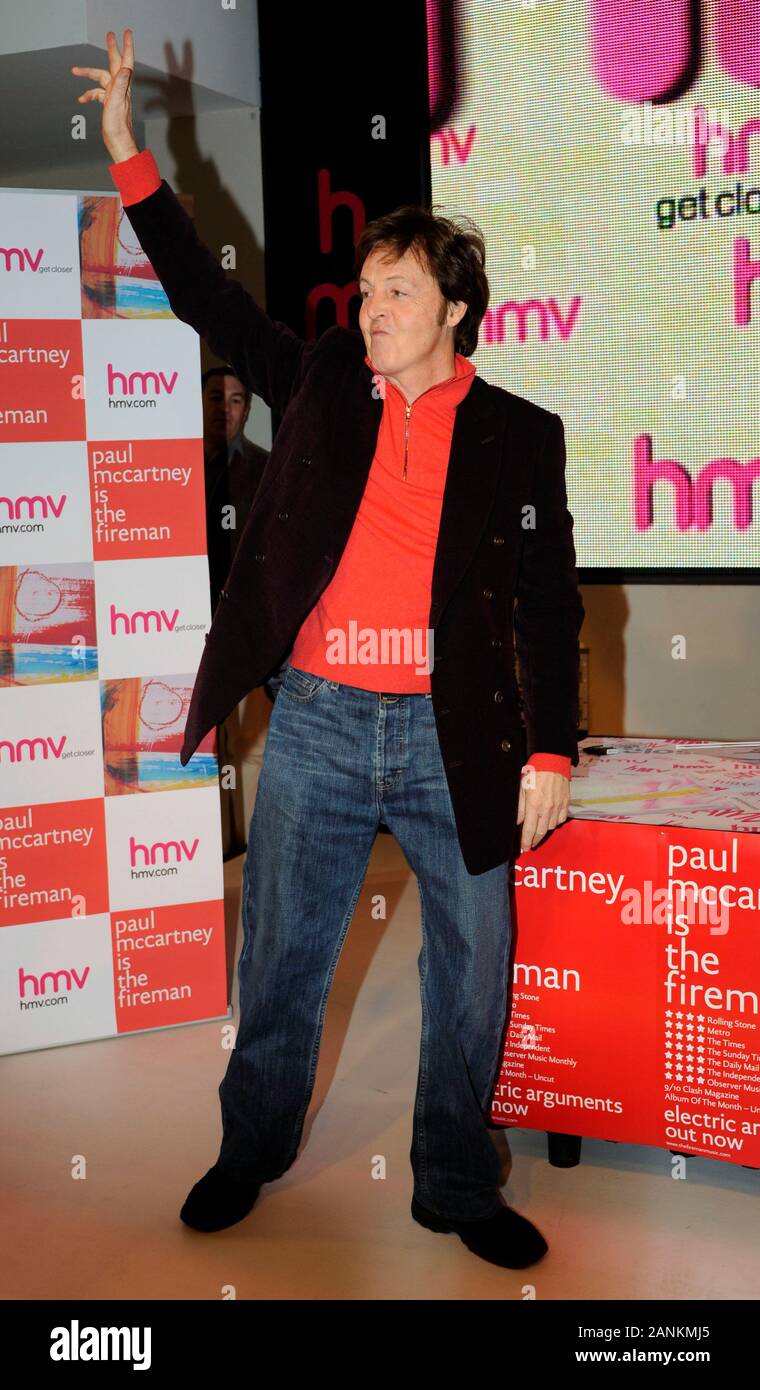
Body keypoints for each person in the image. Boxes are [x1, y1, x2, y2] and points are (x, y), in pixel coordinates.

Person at [73, 30, 585, 1271]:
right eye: (364, 293)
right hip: (312, 717)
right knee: (285, 954)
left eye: (396, 292)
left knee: (472, 966)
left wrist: (553, 749)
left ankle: (457, 1183)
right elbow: (206, 293)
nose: (370, 311)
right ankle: (248, 1148)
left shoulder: (520, 436)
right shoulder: (314, 385)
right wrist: (133, 156)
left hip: (447, 728)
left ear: (455, 306)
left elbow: (548, 603)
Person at [201, 365, 269, 613]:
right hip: (181, 604)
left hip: (241, 609)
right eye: (216, 398)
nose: (225, 409)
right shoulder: (171, 469)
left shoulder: (268, 470)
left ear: (247, 411)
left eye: (236, 400)